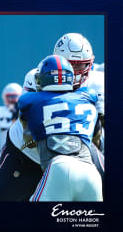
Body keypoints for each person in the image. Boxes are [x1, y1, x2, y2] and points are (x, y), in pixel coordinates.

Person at [0, 33, 105, 201]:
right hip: (28, 153)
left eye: (80, 65)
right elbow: (28, 126)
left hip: (77, 152)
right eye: (71, 65)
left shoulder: (98, 83)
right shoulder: (37, 76)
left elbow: (99, 128)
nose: (75, 73)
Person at [19, 55, 102, 201]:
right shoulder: (88, 96)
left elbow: (27, 138)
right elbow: (97, 137)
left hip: (60, 167)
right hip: (91, 172)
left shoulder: (29, 100)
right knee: (88, 223)